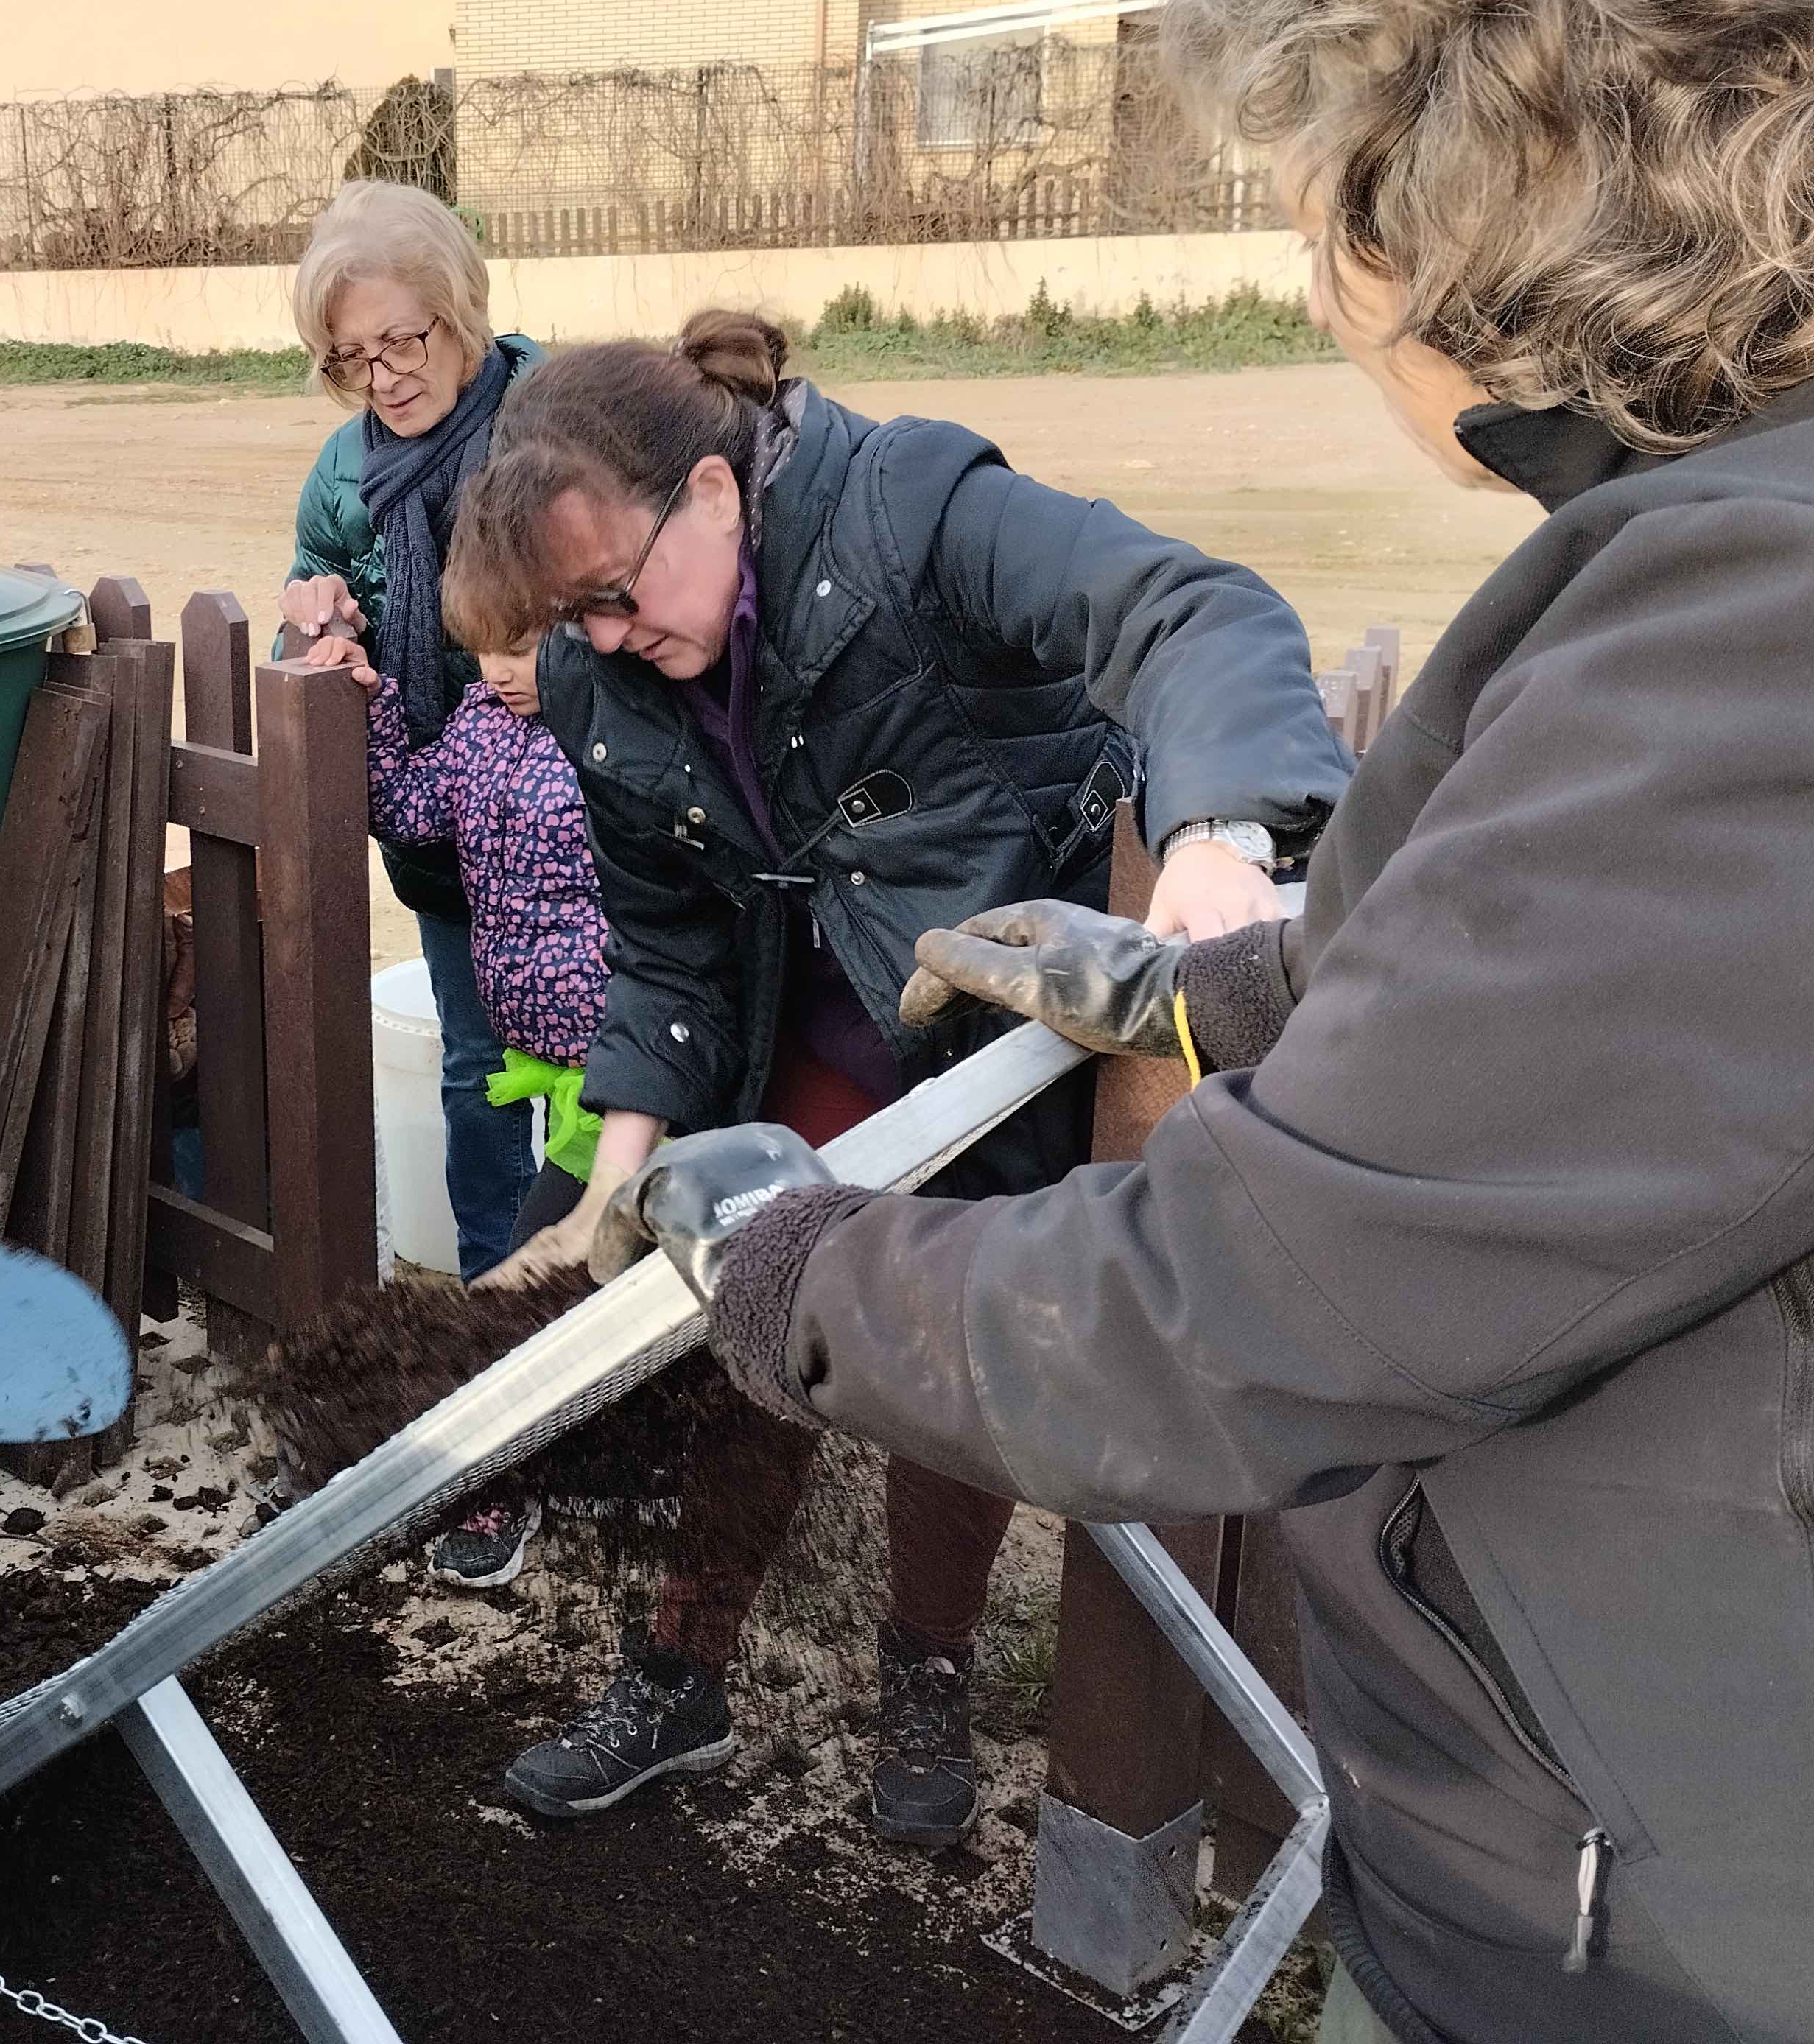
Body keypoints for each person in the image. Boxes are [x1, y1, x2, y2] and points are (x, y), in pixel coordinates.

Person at [588, 0, 1814, 2037]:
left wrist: (796, 1270)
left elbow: (1262, 1299)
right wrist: (1205, 992)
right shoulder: (1725, 532)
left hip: (1675, 1945)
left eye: (1310, 173)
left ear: (1477, 157)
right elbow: (1632, 1003)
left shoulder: (1765, 610)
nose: (1312, 272)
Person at [449, 309, 1351, 1834]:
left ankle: (926, 1663)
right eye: (567, 616)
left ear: (719, 498)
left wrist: (1215, 835)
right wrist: (615, 1179)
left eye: (610, 595)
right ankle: (682, 1675)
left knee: (954, 1326)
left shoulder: (915, 512)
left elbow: (1196, 613)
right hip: (804, 1016)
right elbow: (662, 944)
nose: (596, 641)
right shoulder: (604, 676)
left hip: (995, 1016)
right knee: (738, 1286)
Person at [324, 568, 614, 1589]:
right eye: (489, 652)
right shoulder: (482, 727)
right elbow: (407, 809)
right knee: (553, 1261)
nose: (507, 673)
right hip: (524, 1046)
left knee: (554, 1257)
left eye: (528, 647)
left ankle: (524, 1461)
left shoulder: (621, 730)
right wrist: (375, 704)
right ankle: (561, 1447)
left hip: (617, 1062)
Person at [283, 180, 544, 1281]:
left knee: (631, 1054)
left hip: (591, 816)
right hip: (443, 829)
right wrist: (324, 628)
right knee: (478, 1065)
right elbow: (308, 587)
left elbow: (665, 595)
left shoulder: (558, 421)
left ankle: (626, 1297)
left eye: (402, 340)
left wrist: (556, 668)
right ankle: (499, 1292)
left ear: (463, 311)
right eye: (351, 358)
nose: (383, 377)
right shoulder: (344, 472)